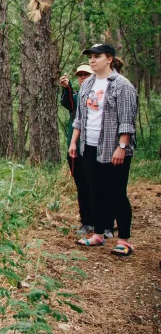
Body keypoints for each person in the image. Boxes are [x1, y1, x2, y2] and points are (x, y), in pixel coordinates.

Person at [70, 43, 138, 256]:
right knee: (94, 191)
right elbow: (80, 118)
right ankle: (98, 234)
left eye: (97, 56)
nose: (92, 60)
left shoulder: (121, 85)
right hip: (89, 147)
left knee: (116, 193)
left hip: (113, 148)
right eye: (90, 56)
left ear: (109, 59)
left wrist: (122, 146)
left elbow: (127, 120)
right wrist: (74, 142)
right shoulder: (87, 85)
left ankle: (124, 240)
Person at [60, 65, 95, 235]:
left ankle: (104, 223)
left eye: (86, 75)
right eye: (80, 75)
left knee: (97, 186)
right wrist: (67, 88)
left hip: (94, 149)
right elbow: (69, 103)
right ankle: (87, 222)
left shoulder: (98, 96)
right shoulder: (75, 97)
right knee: (82, 186)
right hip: (75, 151)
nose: (83, 78)